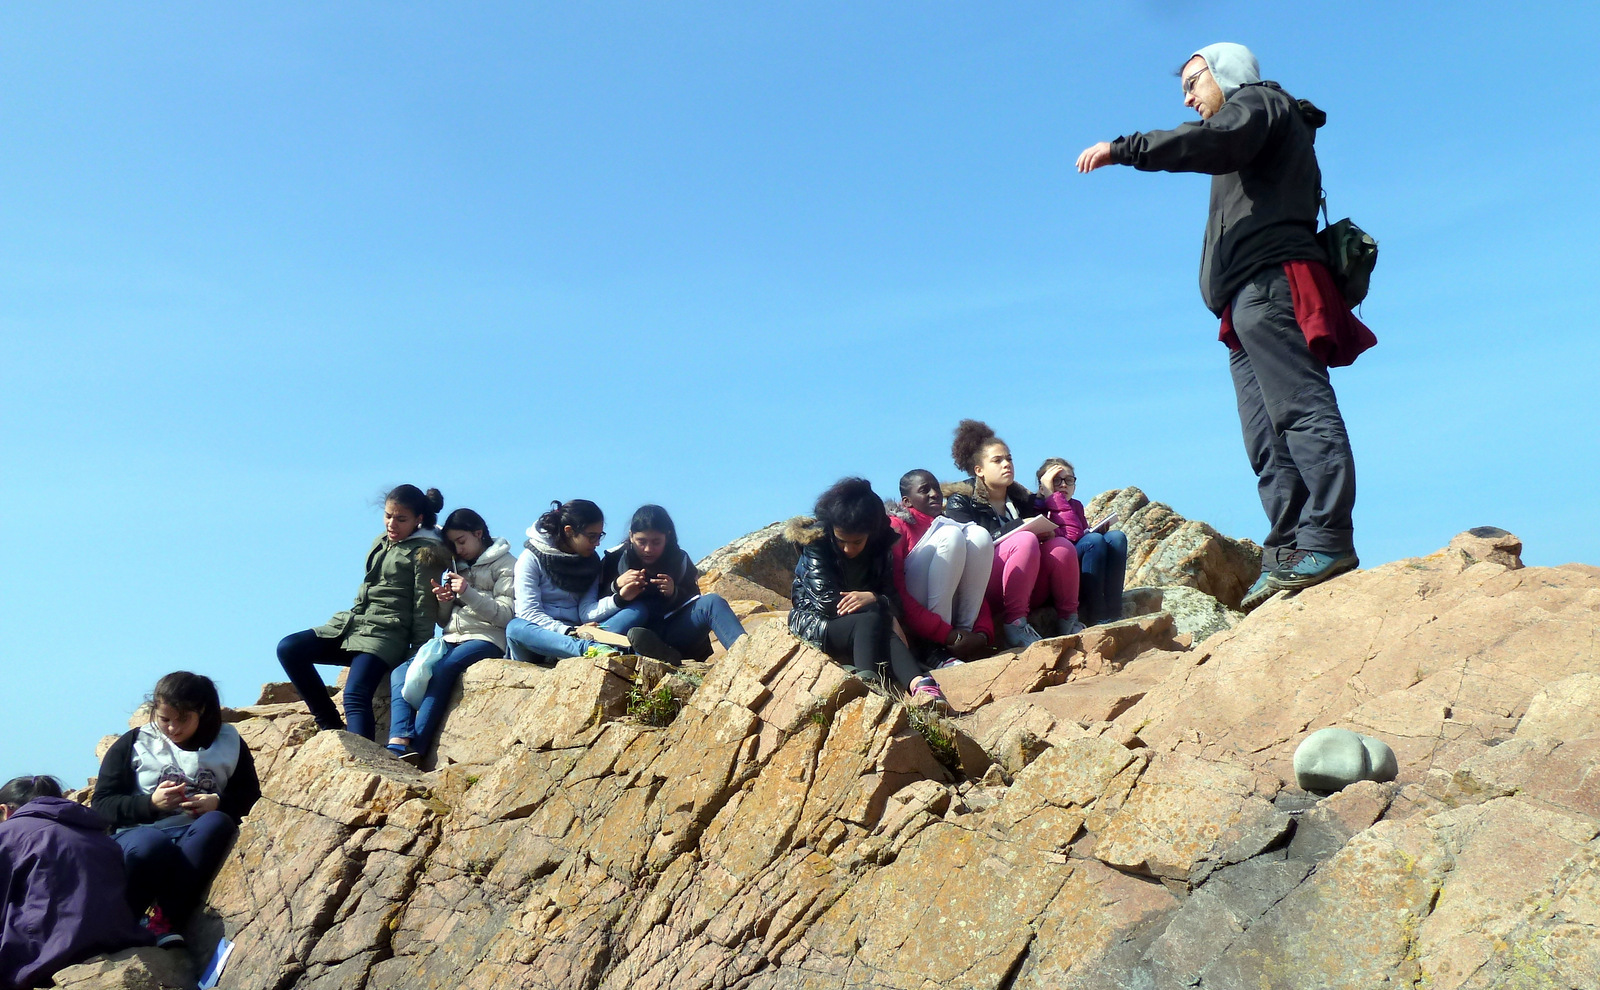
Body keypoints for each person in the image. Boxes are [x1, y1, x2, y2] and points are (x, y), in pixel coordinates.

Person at [1075, 43, 1374, 609]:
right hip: (1242, 303)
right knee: (1265, 439)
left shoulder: (1258, 104)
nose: (1188, 98)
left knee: (1301, 412)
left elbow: (1209, 141)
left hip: (1270, 284)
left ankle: (1328, 540)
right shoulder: (1250, 124)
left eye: (1194, 82)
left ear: (1227, 74)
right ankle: (1288, 552)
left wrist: (1124, 149)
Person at [91, 672, 260, 950]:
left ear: (201, 711)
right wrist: (151, 804)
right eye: (164, 719)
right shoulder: (135, 742)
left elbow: (250, 795)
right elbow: (102, 804)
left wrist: (218, 803)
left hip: (192, 835)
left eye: (183, 719)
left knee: (217, 823)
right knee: (153, 844)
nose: (172, 728)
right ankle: (124, 919)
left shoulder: (229, 742)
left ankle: (164, 920)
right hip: (139, 835)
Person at [277, 485, 450, 738]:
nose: (392, 524)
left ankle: (362, 755)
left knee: (355, 694)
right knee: (289, 649)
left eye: (401, 519)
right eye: (388, 516)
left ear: (418, 519)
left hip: (387, 636)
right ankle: (331, 728)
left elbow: (424, 606)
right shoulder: (381, 542)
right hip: (353, 625)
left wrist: (416, 654)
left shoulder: (426, 553)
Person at [788, 478, 948, 708]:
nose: (848, 549)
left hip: (866, 625)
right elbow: (828, 603)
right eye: (841, 541)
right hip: (816, 622)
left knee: (878, 621)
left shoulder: (881, 547)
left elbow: (892, 597)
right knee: (874, 619)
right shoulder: (817, 542)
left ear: (870, 534)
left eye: (857, 542)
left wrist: (876, 599)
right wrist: (878, 604)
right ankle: (870, 688)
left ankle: (921, 686)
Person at [385, 507, 515, 764]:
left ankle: (418, 747)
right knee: (400, 672)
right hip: (451, 637)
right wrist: (444, 601)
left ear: (478, 533)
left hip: (488, 638)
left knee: (444, 670)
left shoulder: (506, 564)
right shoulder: (458, 565)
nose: (458, 549)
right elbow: (445, 621)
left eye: (461, 541)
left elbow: (506, 616)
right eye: (453, 544)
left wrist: (468, 593)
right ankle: (399, 739)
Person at [0, 775, 153, 986]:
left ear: (4, 810)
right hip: (116, 941)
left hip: (42, 955)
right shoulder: (101, 837)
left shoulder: (8, 833)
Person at [944, 420, 1084, 647]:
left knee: (1061, 546)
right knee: (1024, 539)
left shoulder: (1022, 499)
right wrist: (1019, 527)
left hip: (1027, 584)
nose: (1006, 464)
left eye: (1009, 459)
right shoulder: (960, 500)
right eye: (997, 460)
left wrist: (1049, 501)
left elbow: (1073, 533)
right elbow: (969, 549)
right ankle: (1015, 624)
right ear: (979, 470)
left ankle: (1069, 620)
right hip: (985, 587)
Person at [598, 504, 747, 664]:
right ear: (631, 536)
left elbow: (694, 599)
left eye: (656, 542)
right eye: (641, 541)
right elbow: (593, 608)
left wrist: (674, 592)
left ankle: (747, 656)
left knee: (712, 602)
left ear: (667, 537)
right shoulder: (614, 559)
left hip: (674, 633)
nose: (648, 549)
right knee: (637, 626)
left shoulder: (679, 560)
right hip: (631, 635)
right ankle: (648, 654)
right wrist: (617, 587)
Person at [505, 500, 635, 663]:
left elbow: (586, 611)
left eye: (599, 536)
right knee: (515, 628)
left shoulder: (590, 561)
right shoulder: (530, 558)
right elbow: (528, 612)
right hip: (541, 639)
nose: (597, 543)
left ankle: (610, 648)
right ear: (569, 531)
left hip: (580, 633)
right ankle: (588, 649)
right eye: (591, 537)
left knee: (637, 609)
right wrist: (569, 632)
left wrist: (619, 599)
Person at [888, 469, 995, 666]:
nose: (934, 494)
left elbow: (972, 584)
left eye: (936, 488)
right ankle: (937, 648)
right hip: (918, 619)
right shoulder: (897, 526)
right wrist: (946, 634)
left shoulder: (948, 523)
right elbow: (896, 591)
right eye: (924, 490)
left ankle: (966, 640)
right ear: (907, 502)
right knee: (951, 535)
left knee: (978, 535)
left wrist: (983, 633)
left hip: (954, 623)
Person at [1037, 458, 1128, 626]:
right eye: (1056, 480)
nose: (1063, 485)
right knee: (1093, 541)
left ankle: (1115, 610)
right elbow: (1071, 535)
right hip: (1060, 574)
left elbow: (1077, 535)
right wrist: (1052, 497)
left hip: (1083, 561)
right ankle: (1098, 614)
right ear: (1043, 486)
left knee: (1116, 538)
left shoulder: (1075, 505)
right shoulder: (1037, 506)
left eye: (1069, 480)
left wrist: (1093, 531)